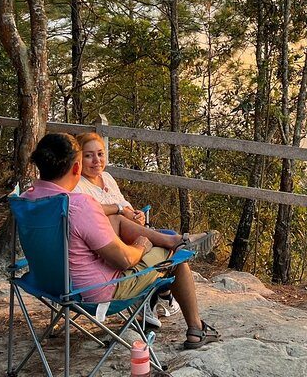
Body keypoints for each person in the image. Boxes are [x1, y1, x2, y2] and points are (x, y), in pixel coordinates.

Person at [25, 133, 220, 349]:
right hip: (97, 290)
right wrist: (142, 244)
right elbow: (124, 261)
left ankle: (167, 263)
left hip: (48, 283)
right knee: (177, 257)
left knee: (139, 232)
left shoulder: (27, 200)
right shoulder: (78, 205)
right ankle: (195, 329)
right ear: (76, 168)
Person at [73, 132, 222, 327]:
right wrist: (119, 211)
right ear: (78, 159)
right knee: (173, 253)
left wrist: (135, 215)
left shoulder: (107, 177)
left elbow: (124, 206)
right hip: (111, 250)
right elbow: (90, 211)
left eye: (100, 154)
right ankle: (168, 303)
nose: (96, 160)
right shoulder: (77, 185)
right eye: (88, 155)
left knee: (167, 236)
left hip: (125, 238)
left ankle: (161, 296)